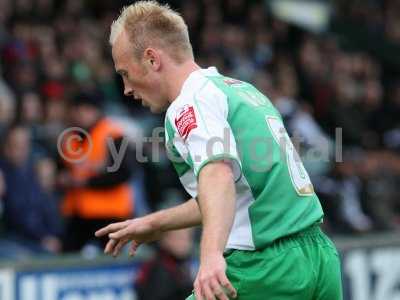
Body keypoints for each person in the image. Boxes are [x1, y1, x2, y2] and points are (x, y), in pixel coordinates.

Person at [95, 2, 343, 300]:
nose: (125, 89)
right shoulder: (241, 90)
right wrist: (155, 223)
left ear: (151, 59)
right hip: (318, 258)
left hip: (264, 266)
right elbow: (234, 196)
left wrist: (211, 256)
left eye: (125, 72)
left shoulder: (189, 104)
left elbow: (218, 175)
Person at [60, 92, 135, 252]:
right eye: (77, 110)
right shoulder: (70, 137)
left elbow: (124, 173)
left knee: (111, 261)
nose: (81, 115)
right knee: (67, 257)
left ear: (96, 111)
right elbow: (61, 170)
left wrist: (86, 183)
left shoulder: (113, 134)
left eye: (86, 110)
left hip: (109, 213)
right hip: (78, 213)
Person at [135, 228, 194, 300]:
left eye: (188, 238)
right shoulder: (158, 269)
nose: (186, 243)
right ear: (165, 240)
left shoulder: (179, 265)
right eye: (180, 238)